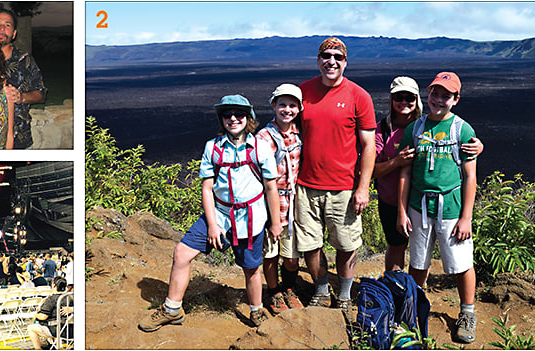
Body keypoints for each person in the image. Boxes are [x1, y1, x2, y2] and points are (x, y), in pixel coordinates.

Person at [138, 94, 282, 331]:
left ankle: (256, 311)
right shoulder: (213, 148)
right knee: (182, 253)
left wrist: (275, 223)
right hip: (220, 214)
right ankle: (172, 309)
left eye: (239, 114)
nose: (233, 119)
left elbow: (270, 187)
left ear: (249, 117)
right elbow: (207, 188)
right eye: (227, 115)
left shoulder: (261, 147)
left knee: (251, 268)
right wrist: (213, 225)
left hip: (251, 217)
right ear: (221, 119)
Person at [397, 72, 478, 343]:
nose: (439, 100)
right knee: (418, 261)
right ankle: (413, 309)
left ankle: (467, 312)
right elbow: (405, 173)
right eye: (435, 93)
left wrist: (466, 217)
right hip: (419, 206)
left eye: (446, 95)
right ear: (428, 94)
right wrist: (401, 210)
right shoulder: (415, 129)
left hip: (451, 209)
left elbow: (470, 176)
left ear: (456, 99)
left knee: (461, 263)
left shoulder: (462, 130)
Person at [296, 37, 376, 311]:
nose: (332, 61)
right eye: (326, 56)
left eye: (338, 57)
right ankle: (320, 290)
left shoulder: (359, 96)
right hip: (305, 185)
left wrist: (362, 187)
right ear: (318, 60)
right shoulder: (302, 92)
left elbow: (368, 147)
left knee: (346, 244)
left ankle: (343, 294)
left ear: (345, 62)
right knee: (310, 244)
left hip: (344, 187)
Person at [374, 76, 483, 271]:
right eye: (399, 97)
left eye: (409, 98)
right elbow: (369, 169)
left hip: (425, 202)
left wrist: (478, 147)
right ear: (391, 100)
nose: (404, 102)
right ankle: (397, 291)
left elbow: (457, 145)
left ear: (417, 99)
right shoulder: (382, 130)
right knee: (399, 246)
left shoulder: (424, 126)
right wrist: (396, 162)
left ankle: (416, 293)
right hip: (394, 199)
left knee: (422, 255)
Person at [255, 84, 304, 314]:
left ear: (299, 108)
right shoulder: (264, 137)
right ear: (274, 105)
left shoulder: (298, 132)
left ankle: (289, 287)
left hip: (294, 202)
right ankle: (274, 291)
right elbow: (266, 181)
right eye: (282, 104)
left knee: (292, 253)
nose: (287, 109)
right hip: (270, 204)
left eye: (292, 105)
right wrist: (274, 219)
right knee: (271, 252)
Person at [0, 9, 47, 149]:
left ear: (14, 34)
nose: (1, 29)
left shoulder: (25, 60)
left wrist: (22, 97)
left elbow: (41, 94)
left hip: (20, 141)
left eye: (7, 25)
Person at [27, 277, 73, 349]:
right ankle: (56, 345)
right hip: (70, 329)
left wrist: (36, 315)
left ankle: (38, 349)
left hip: (57, 330)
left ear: (54, 285)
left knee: (31, 328)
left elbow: (43, 317)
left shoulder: (51, 299)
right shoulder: (70, 297)